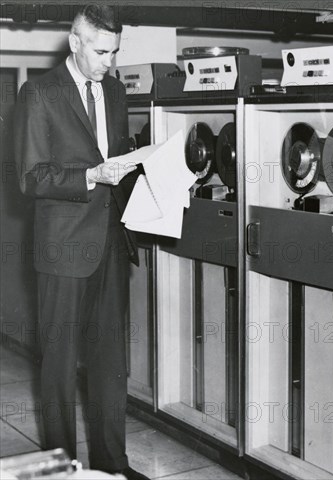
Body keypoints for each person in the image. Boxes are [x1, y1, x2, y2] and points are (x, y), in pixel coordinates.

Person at [14, 5, 149, 480]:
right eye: (100, 51)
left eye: (114, 52)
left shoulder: (113, 91)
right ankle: (58, 469)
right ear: (75, 42)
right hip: (64, 248)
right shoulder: (39, 93)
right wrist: (91, 174)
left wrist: (155, 177)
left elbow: (118, 157)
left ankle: (114, 465)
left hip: (111, 242)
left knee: (111, 365)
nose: (108, 63)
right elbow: (31, 177)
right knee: (57, 370)